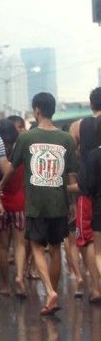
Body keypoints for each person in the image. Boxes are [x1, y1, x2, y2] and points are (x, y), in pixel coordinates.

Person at [0, 92, 78, 316]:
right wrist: (71, 203)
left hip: (35, 203)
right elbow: (71, 175)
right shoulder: (66, 139)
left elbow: (12, 168)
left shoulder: (26, 138)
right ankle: (52, 296)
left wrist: (1, 186)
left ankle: (50, 291)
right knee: (55, 248)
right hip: (59, 203)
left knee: (35, 247)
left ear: (37, 111)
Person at [67, 87, 101, 302]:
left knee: (89, 241)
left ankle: (96, 288)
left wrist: (71, 189)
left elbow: (70, 161)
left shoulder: (78, 126)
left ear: (90, 104)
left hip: (88, 190)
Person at [0, 118, 28, 298]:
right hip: (19, 202)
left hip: (0, 204)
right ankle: (19, 278)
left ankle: (5, 285)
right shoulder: (21, 151)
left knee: (2, 247)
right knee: (20, 245)